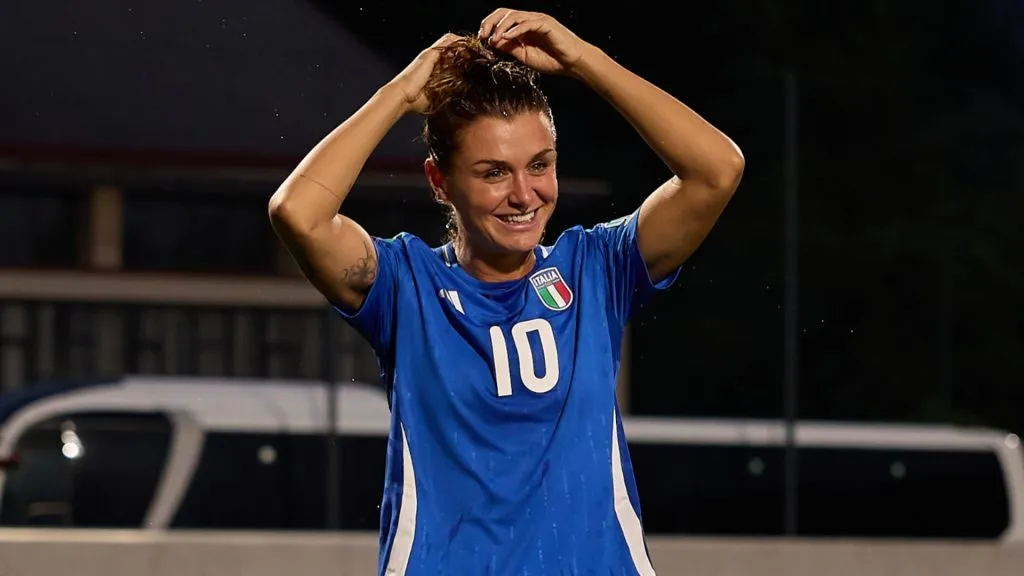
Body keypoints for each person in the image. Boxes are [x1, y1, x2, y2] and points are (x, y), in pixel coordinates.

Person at [269, 8, 743, 575]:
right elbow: (298, 214)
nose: (525, 194)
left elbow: (717, 170)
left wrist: (583, 60)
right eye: (494, 172)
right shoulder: (406, 285)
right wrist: (398, 94)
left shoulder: (595, 269)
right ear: (439, 182)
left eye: (539, 165)